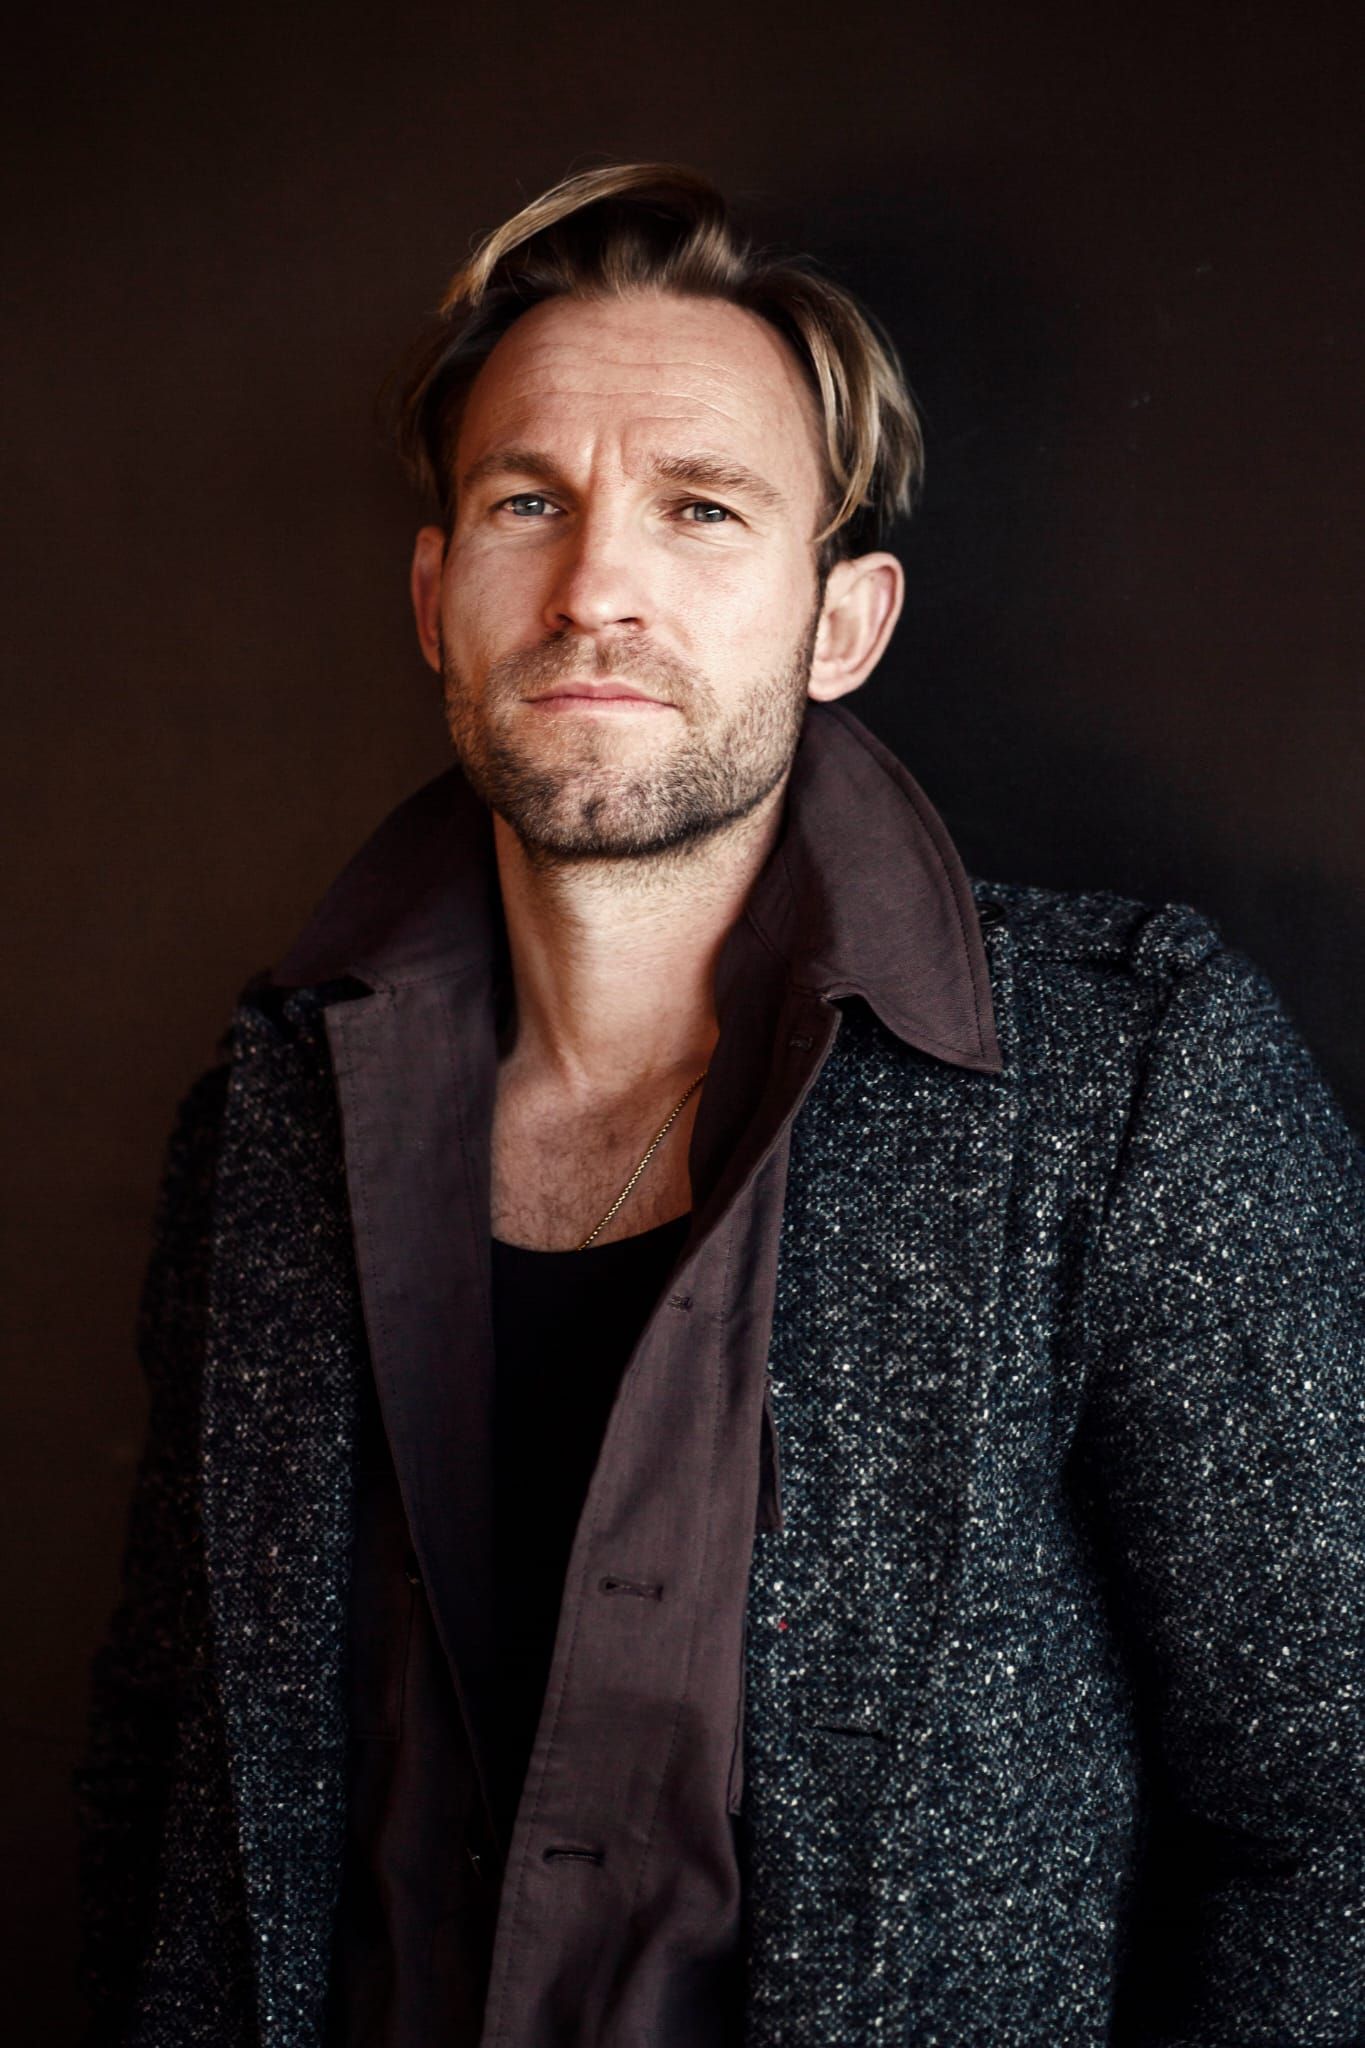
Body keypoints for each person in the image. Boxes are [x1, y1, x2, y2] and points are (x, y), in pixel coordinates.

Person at [76, 162, 1364, 2048]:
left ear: (842, 622)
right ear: (435, 595)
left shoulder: (1128, 1081)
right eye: (527, 502)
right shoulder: (266, 1123)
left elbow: (1327, 1826)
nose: (595, 585)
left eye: (700, 508)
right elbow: (167, 1787)